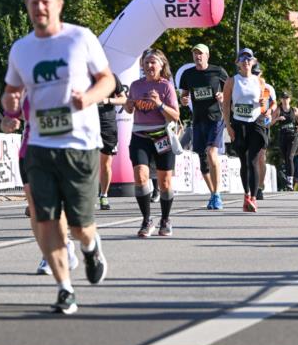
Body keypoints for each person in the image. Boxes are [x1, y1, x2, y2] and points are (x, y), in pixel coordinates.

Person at [3, 0, 114, 314]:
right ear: (28, 7)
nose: (40, 7)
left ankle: (91, 247)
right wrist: (11, 105)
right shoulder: (21, 48)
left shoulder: (80, 38)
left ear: (59, 4)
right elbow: (10, 92)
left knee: (79, 225)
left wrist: (88, 98)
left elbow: (107, 80)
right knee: (45, 218)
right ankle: (65, 288)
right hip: (39, 143)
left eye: (46, 1)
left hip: (79, 143)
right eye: (34, 2)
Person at [0, 96, 78, 276]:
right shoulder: (22, 82)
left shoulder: (66, 77)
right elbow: (7, 120)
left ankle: (63, 245)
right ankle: (50, 253)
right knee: (35, 208)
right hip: (30, 152)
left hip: (61, 149)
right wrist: (8, 123)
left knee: (54, 204)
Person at [125, 48, 180, 237]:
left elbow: (175, 116)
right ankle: (147, 220)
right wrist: (128, 105)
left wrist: (159, 104)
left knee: (164, 183)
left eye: (153, 62)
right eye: (146, 62)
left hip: (162, 136)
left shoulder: (166, 87)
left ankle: (165, 219)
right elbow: (129, 109)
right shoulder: (135, 85)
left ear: (161, 65)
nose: (149, 66)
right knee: (140, 176)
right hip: (140, 136)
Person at [222, 48, 272, 212]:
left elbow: (265, 102)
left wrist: (263, 103)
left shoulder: (260, 81)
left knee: (254, 160)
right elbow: (226, 105)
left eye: (249, 59)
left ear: (253, 62)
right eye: (242, 59)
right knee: (244, 161)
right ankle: (246, 194)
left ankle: (254, 198)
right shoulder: (231, 81)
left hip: (256, 122)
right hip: (239, 123)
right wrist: (228, 126)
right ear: (238, 63)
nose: (246, 62)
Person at [178, 43, 228, 209]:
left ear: (207, 55)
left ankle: (217, 194)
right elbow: (184, 96)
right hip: (198, 120)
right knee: (202, 159)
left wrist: (223, 96)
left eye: (200, 54)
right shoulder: (188, 74)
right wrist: (184, 100)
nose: (198, 56)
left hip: (215, 117)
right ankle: (213, 193)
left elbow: (230, 90)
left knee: (211, 152)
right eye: (195, 54)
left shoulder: (218, 71)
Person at [97, 73, 127, 210]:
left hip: (107, 124)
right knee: (85, 163)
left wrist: (108, 100)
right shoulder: (80, 74)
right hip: (85, 124)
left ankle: (103, 195)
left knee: (106, 163)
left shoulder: (110, 77)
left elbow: (123, 99)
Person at [252, 62, 277, 199]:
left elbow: (274, 103)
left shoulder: (268, 88)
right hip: (249, 122)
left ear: (261, 73)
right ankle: (252, 184)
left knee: (261, 156)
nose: (255, 76)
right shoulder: (246, 86)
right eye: (253, 73)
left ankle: (260, 186)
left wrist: (270, 110)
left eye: (257, 73)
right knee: (251, 156)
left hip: (263, 122)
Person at [276, 91, 298, 191]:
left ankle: (290, 182)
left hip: (293, 136)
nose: (285, 99)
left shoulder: (294, 110)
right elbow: (270, 122)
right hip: (283, 136)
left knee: (290, 157)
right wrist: (278, 118)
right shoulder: (278, 110)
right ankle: (289, 179)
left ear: (290, 99)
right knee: (285, 158)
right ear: (281, 100)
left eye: (287, 98)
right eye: (283, 98)